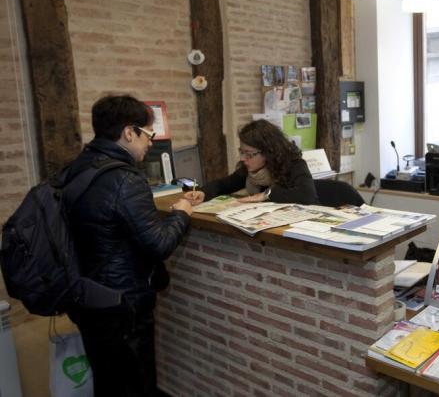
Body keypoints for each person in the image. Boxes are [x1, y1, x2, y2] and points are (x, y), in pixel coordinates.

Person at [65, 95, 192, 396]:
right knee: (135, 383)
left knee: (108, 381)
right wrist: (181, 213)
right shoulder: (125, 180)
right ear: (128, 132)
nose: (151, 142)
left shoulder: (79, 166)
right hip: (123, 304)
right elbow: (159, 244)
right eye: (148, 134)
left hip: (88, 294)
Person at [184, 119, 318, 205]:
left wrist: (266, 195)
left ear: (267, 152)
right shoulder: (249, 170)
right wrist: (203, 193)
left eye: (249, 154)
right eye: (241, 152)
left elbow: (307, 195)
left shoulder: (294, 164)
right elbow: (222, 185)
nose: (243, 159)